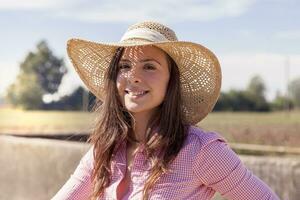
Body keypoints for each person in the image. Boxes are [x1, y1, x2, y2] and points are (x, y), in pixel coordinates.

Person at [53, 21, 280, 200]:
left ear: (171, 81)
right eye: (124, 66)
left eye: (149, 66)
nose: (133, 76)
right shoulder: (105, 149)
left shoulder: (200, 150)